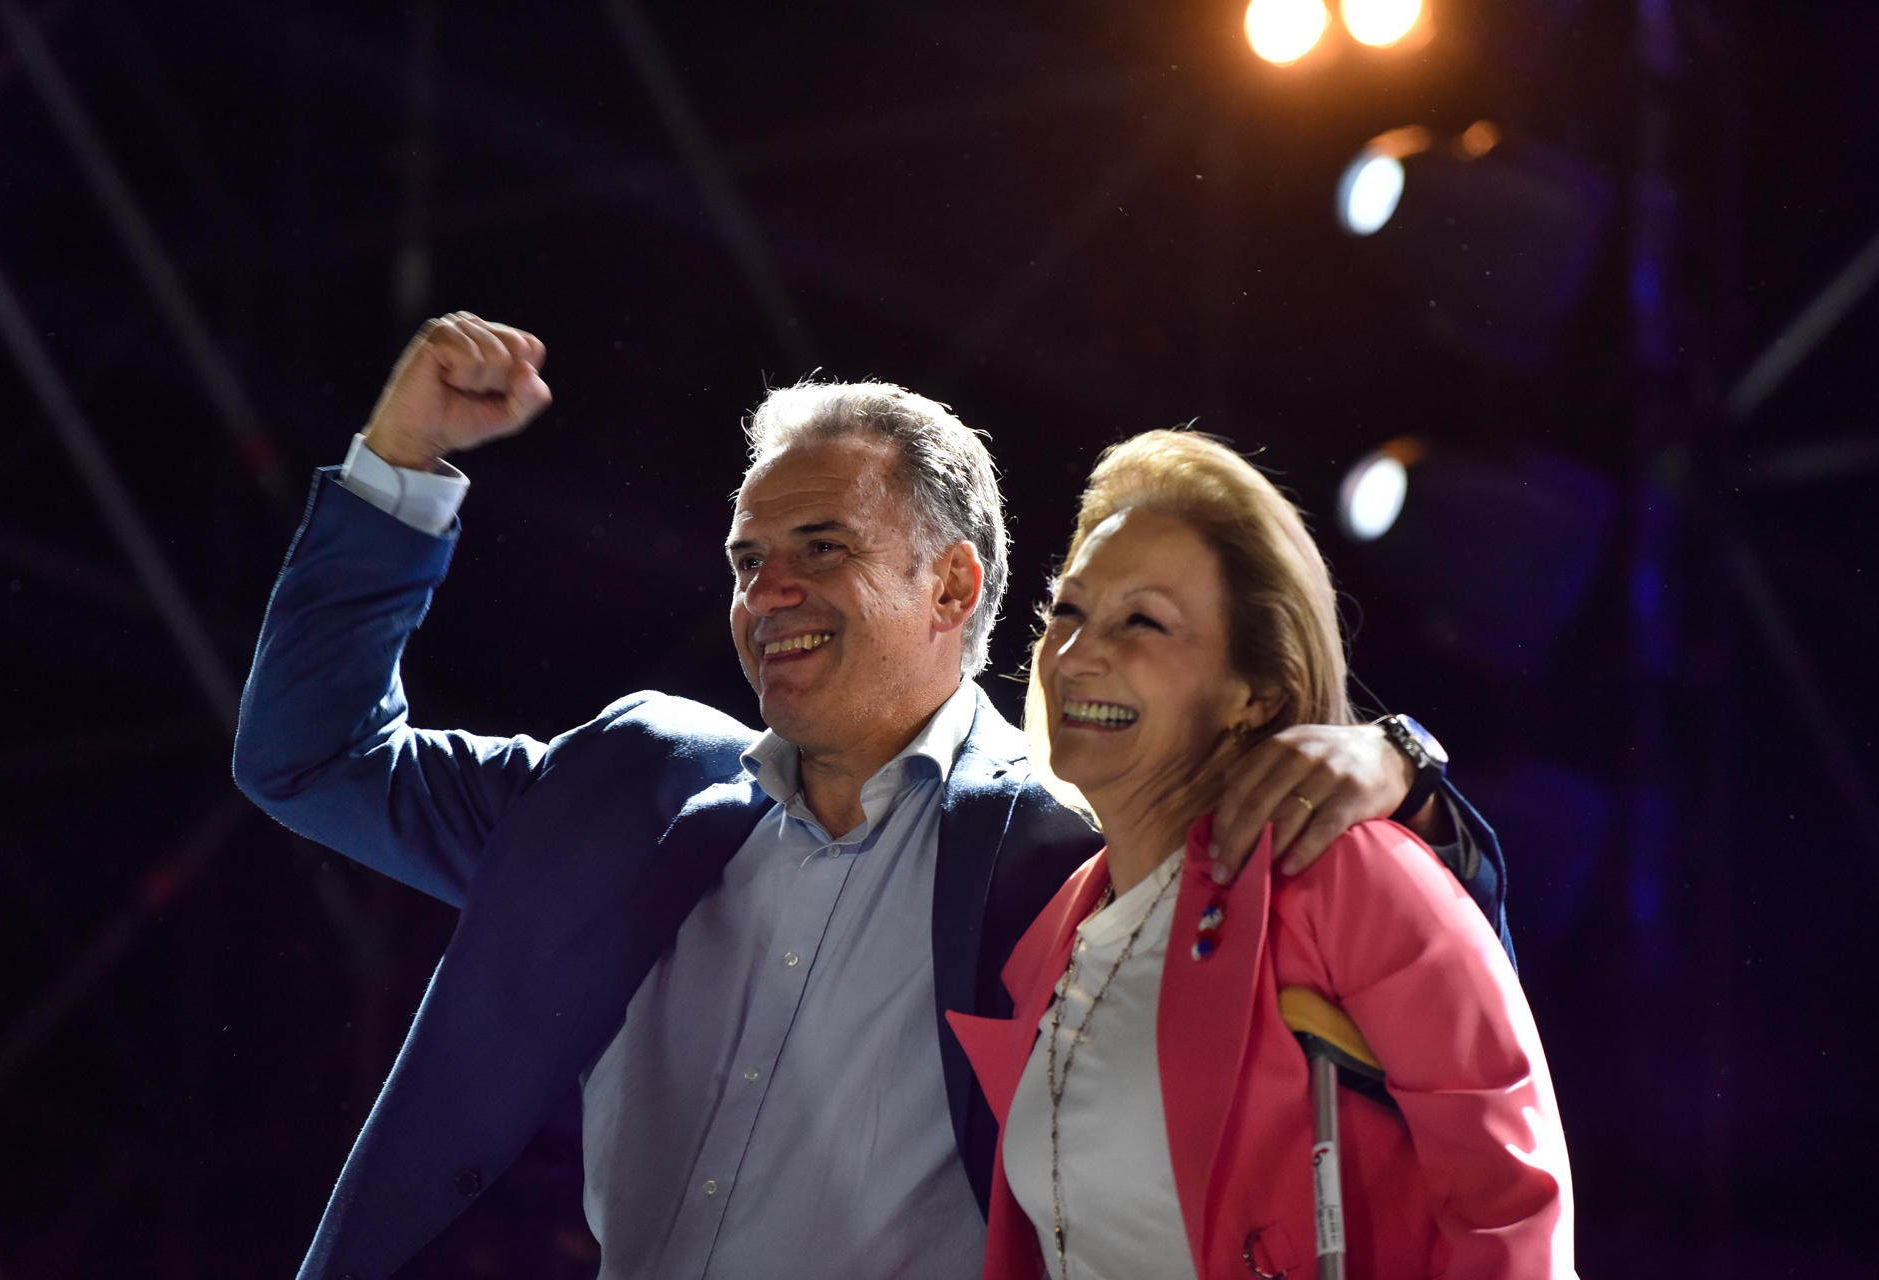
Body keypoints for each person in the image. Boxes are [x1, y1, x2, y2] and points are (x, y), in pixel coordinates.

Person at [232, 314, 1513, 1278]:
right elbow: (305, 754)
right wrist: (400, 462)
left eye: (820, 548)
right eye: (748, 560)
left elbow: (1421, 1012)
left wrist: (1400, 762)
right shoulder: (629, 786)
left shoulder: (1074, 848)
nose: (765, 591)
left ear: (955, 586)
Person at [947, 430, 1572, 1280]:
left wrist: (1405, 751)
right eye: (1070, 609)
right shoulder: (1052, 934)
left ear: (1255, 694)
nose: (1079, 652)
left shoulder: (1350, 873)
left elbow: (1513, 1219)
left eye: (1143, 621)